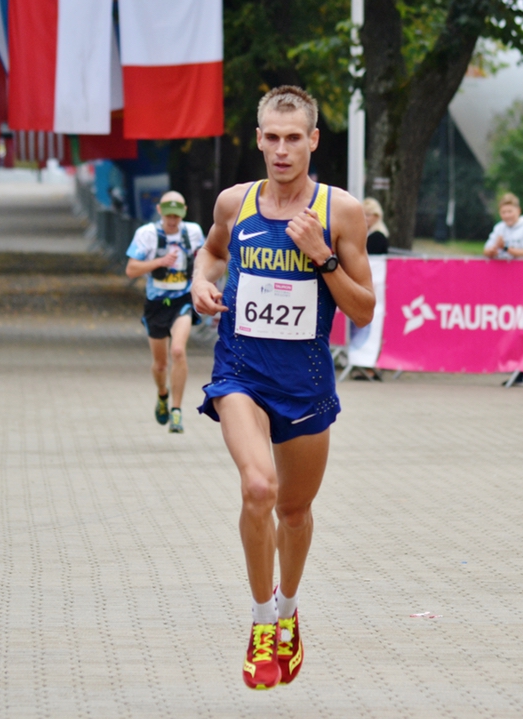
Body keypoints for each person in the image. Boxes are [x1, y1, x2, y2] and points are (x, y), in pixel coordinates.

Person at [191, 86, 374, 690]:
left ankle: (289, 609)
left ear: (313, 140)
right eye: (271, 137)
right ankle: (262, 621)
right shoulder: (235, 202)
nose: (281, 149)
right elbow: (210, 254)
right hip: (240, 373)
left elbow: (365, 310)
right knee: (258, 488)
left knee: (293, 512)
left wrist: (323, 257)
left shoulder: (341, 211)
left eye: (293, 137)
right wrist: (199, 282)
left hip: (304, 383)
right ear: (259, 139)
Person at [124, 191, 204, 434]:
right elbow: (131, 269)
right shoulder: (146, 234)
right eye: (168, 215)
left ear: (184, 212)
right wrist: (159, 262)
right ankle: (162, 394)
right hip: (157, 303)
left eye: (176, 216)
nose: (172, 220)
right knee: (160, 365)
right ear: (159, 211)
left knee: (178, 351)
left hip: (182, 300)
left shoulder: (193, 232)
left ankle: (176, 411)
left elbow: (205, 260)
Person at [483, 193, 523, 259]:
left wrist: (505, 248)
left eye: (510, 211)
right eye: (503, 212)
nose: (507, 215)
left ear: (518, 211)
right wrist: (492, 250)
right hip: (502, 265)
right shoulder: (499, 228)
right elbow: (486, 251)